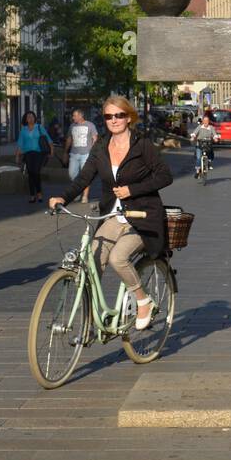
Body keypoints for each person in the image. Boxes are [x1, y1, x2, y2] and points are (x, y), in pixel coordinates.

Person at [49, 95, 173, 331]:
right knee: (91, 262)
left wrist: (132, 189)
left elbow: (165, 176)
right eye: (108, 116)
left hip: (142, 217)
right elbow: (84, 177)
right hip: (113, 217)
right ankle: (92, 317)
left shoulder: (142, 145)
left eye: (119, 115)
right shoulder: (101, 147)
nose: (114, 120)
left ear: (128, 117)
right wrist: (63, 197)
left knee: (118, 258)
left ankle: (143, 301)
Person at [17, 111, 53, 204]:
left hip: (39, 153)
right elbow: (20, 144)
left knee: (36, 172)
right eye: (28, 117)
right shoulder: (23, 130)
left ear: (34, 118)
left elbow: (48, 140)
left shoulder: (39, 127)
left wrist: (51, 151)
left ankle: (39, 193)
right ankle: (32, 195)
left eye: (32, 117)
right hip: (28, 154)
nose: (30, 118)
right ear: (25, 119)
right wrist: (17, 156)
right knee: (31, 174)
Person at [64, 109, 99, 203]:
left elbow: (95, 138)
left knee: (86, 176)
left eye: (74, 115)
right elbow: (69, 139)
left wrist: (93, 152)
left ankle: (85, 196)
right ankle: (78, 191)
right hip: (74, 154)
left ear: (81, 116)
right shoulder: (72, 126)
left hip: (86, 154)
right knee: (71, 174)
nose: (73, 117)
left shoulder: (90, 125)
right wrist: (65, 151)